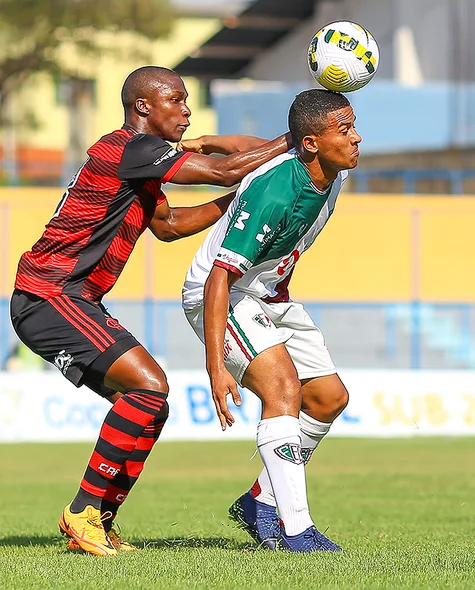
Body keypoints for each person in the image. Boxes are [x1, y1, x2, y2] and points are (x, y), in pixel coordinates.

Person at [9, 65, 293, 556]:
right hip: (50, 295)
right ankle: (81, 511)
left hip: (70, 299)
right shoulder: (132, 148)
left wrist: (235, 201)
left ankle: (96, 521)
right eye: (176, 101)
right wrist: (294, 139)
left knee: (151, 405)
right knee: (150, 386)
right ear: (143, 107)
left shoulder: (138, 162)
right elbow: (224, 168)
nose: (186, 112)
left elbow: (169, 225)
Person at [181, 89, 361, 552]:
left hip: (270, 295)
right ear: (313, 144)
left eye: (354, 126)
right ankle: (298, 532)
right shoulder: (275, 192)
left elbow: (253, 146)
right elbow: (220, 276)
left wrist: (210, 140)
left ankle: (259, 499)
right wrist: (214, 366)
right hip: (221, 293)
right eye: (345, 130)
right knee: (282, 389)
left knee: (327, 399)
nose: (357, 138)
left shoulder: (326, 165)